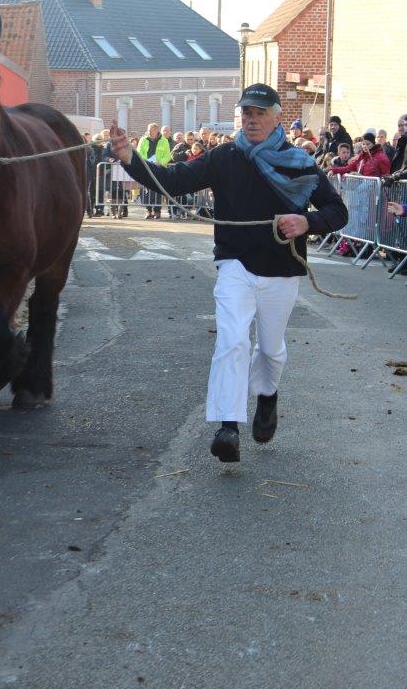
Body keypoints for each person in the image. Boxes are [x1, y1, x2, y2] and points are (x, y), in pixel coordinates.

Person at [109, 83, 348, 464]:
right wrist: (129, 158)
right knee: (232, 340)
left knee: (270, 349)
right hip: (234, 262)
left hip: (282, 268)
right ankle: (227, 426)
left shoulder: (299, 162)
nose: (251, 120)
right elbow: (173, 181)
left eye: (259, 113)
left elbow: (338, 211)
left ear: (276, 117)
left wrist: (306, 221)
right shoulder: (224, 157)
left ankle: (267, 395)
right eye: (246, 113)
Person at [137, 122, 171, 219]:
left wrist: (160, 163)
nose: (150, 132)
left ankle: (157, 211)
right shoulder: (143, 140)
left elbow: (168, 156)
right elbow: (139, 152)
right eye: (149, 130)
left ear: (157, 131)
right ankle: (148, 211)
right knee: (147, 190)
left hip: (159, 168)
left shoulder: (164, 141)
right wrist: (146, 161)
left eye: (152, 131)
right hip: (147, 168)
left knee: (157, 190)